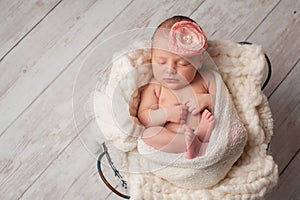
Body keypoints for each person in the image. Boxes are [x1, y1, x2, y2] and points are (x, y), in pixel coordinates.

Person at [137, 16, 216, 159]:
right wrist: (166, 114)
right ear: (152, 58)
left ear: (199, 61)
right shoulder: (155, 85)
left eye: (182, 64)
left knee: (225, 130)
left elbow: (225, 104)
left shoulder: (207, 78)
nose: (170, 69)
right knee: (148, 135)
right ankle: (192, 144)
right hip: (174, 140)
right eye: (161, 62)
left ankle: (203, 140)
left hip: (209, 133)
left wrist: (207, 100)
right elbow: (144, 116)